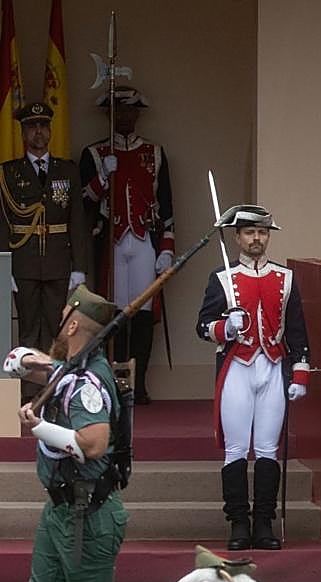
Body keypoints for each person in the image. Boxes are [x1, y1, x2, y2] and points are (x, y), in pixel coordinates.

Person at [1, 286, 209, 582]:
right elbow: (11, 361)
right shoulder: (68, 371)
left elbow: (92, 446)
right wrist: (39, 363)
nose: (59, 323)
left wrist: (40, 429)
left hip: (87, 515)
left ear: (73, 323)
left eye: (63, 317)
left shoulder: (88, 384)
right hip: (60, 511)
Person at [196, 205, 310, 551]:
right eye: (250, 233)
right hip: (237, 367)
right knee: (235, 449)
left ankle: (264, 523)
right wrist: (224, 326)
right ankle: (238, 523)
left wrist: (300, 374)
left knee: (266, 450)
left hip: (273, 366)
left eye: (262, 233)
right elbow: (202, 327)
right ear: (238, 237)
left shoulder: (285, 278)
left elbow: (297, 331)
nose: (256, 239)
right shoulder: (222, 278)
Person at [79, 86, 175, 405]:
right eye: (119, 111)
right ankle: (117, 382)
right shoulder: (94, 154)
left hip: (145, 241)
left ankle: (140, 383)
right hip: (113, 242)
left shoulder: (154, 153)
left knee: (143, 313)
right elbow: (83, 202)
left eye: (131, 111)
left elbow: (166, 206)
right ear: (109, 114)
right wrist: (102, 178)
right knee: (117, 314)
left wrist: (166, 248)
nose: (126, 116)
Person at [0, 101, 88, 402]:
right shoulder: (8, 174)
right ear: (24, 133)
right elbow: (3, 223)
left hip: (58, 260)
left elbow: (77, 220)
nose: (38, 132)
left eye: (43, 126)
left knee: (56, 328)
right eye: (32, 127)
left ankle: (54, 392)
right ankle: (29, 394)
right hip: (23, 262)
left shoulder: (67, 170)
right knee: (27, 330)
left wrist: (80, 266)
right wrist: (5, 265)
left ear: (50, 130)